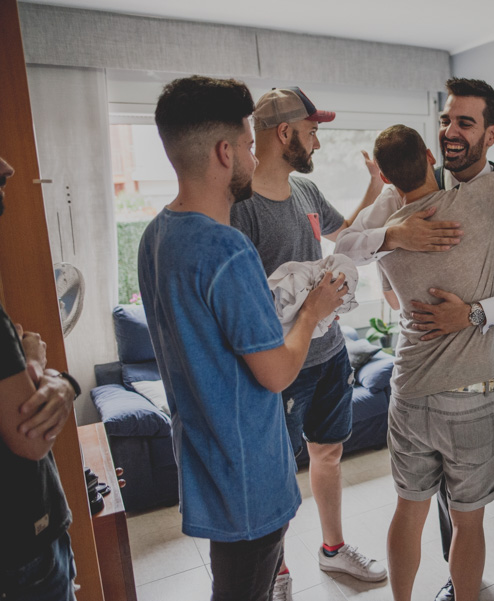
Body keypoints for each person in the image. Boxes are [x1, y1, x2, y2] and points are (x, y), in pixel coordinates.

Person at [335, 78, 494, 601]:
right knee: (441, 492)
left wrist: (477, 314)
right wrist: (393, 234)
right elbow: (346, 242)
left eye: (464, 122)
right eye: (444, 120)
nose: (450, 131)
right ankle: (461, 580)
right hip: (432, 364)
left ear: (491, 133)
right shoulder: (406, 188)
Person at [138, 76, 347, 601]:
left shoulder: (155, 235)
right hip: (248, 470)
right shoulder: (229, 251)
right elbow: (276, 372)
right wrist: (313, 311)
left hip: (206, 458)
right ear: (225, 152)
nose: (255, 157)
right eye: (250, 146)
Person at [230, 87, 387, 595]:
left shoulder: (305, 193)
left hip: (329, 352)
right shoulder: (241, 206)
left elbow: (345, 236)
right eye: (312, 131)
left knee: (329, 454)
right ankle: (274, 568)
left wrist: (376, 188)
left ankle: (334, 552)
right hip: (282, 365)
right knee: (275, 476)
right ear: (284, 133)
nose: (317, 143)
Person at [1, 155, 81, 600]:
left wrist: (33, 370)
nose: (8, 168)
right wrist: (54, 376)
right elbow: (31, 432)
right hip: (20, 547)